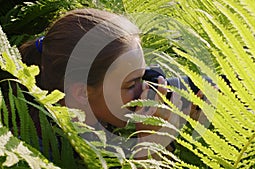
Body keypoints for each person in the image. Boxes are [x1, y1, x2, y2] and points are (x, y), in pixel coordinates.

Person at [19, 8, 204, 159]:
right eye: (132, 85)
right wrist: (150, 146)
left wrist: (182, 127)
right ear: (82, 93)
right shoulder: (37, 154)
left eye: (145, 74)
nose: (146, 89)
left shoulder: (100, 123)